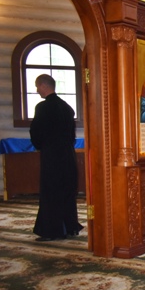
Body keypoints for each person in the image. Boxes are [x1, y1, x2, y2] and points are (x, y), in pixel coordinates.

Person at [29, 74, 83, 241]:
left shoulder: (42, 108)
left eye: (37, 86)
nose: (37, 90)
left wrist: (41, 146)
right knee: (67, 191)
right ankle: (70, 227)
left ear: (43, 86)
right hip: (67, 155)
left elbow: (36, 132)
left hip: (52, 156)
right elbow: (71, 135)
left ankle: (52, 231)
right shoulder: (67, 107)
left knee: (51, 192)